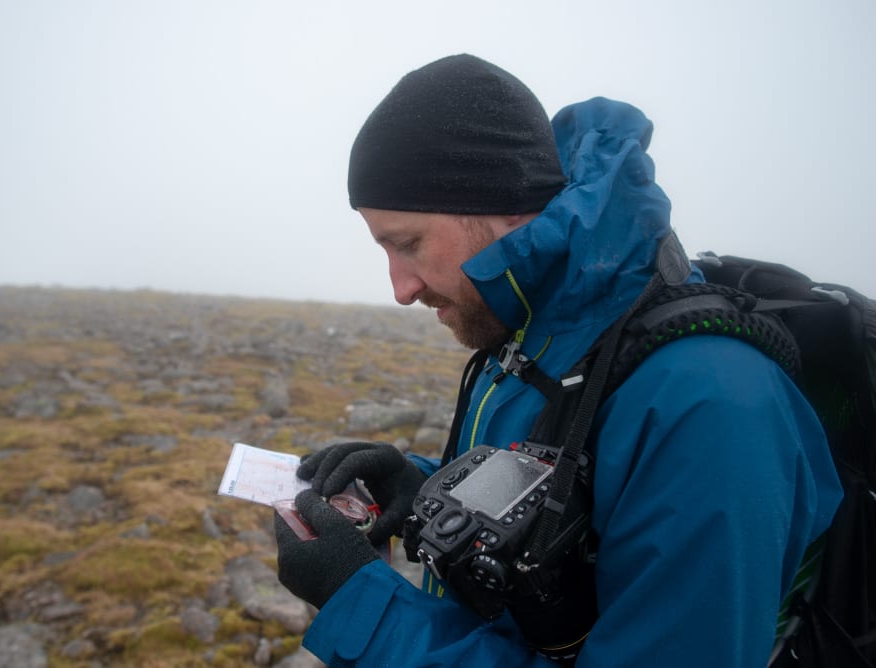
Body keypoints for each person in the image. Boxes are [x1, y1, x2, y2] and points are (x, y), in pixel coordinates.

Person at [273, 54, 843, 667]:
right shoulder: (533, 333)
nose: (400, 288)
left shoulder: (711, 410)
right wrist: (419, 489)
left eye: (408, 243)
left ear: (507, 209)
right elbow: (557, 500)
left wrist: (365, 610)